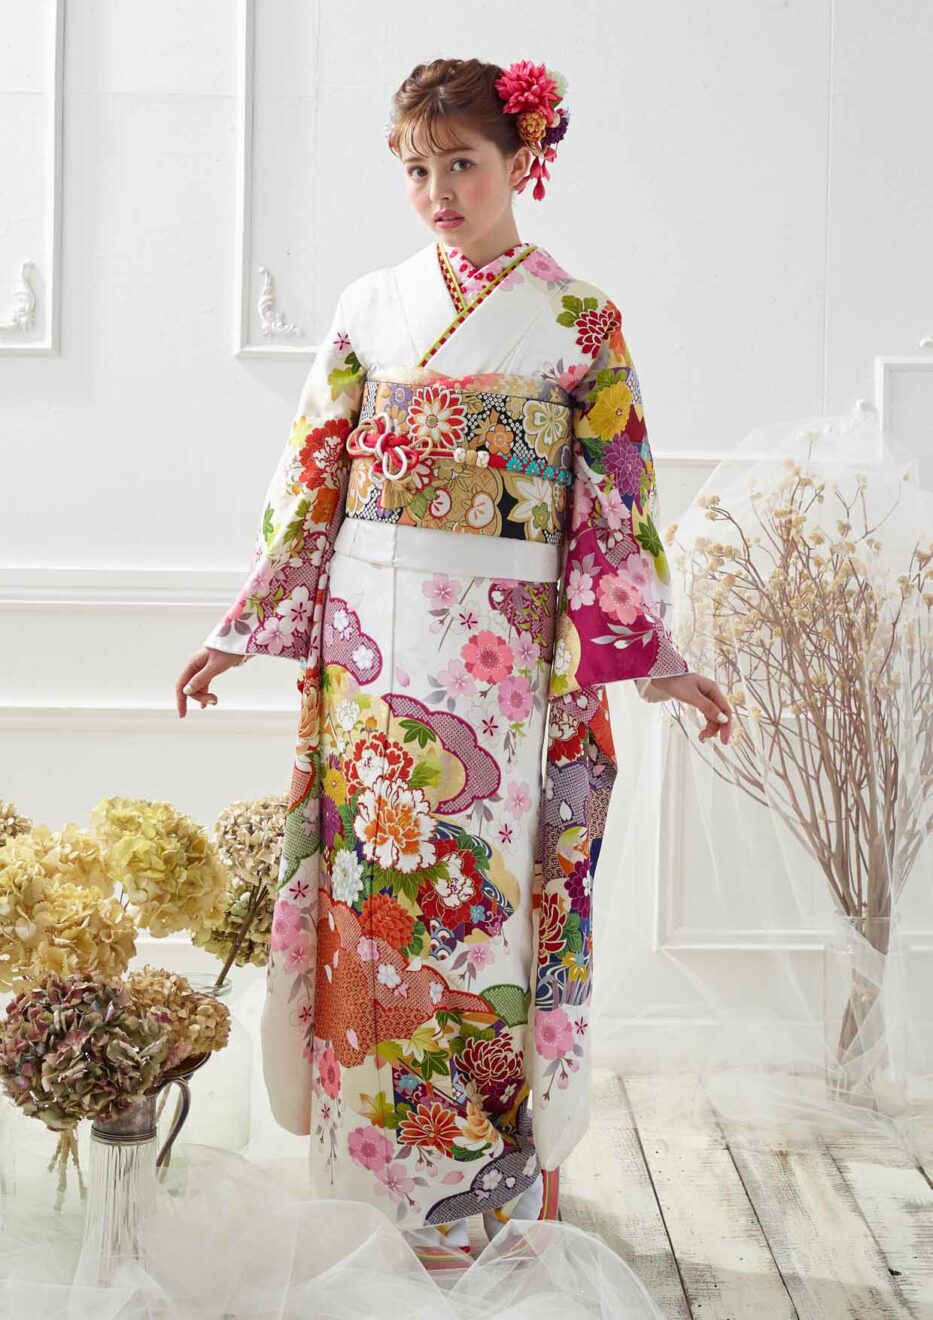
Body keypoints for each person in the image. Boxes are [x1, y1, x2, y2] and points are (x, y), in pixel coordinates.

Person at [175, 56, 732, 1273]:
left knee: (486, 908)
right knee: (373, 901)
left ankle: (489, 1188)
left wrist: (657, 660)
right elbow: (313, 469)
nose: (438, 191)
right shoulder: (371, 304)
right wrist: (240, 626)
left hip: (506, 664)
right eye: (418, 169)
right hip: (374, 653)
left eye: (463, 164)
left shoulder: (580, 321)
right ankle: (363, 1187)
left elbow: (616, 500)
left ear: (525, 160)